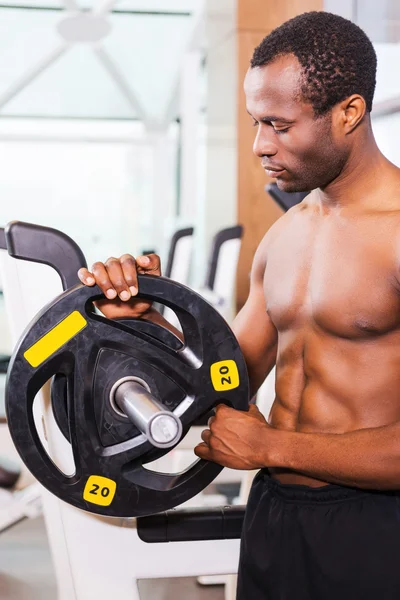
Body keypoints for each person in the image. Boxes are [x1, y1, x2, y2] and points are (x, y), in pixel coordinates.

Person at [78, 11, 400, 600]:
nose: (259, 146)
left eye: (279, 124)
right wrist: (144, 324)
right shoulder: (286, 235)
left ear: (349, 113)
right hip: (276, 516)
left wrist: (273, 445)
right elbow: (220, 384)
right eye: (256, 122)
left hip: (376, 529)